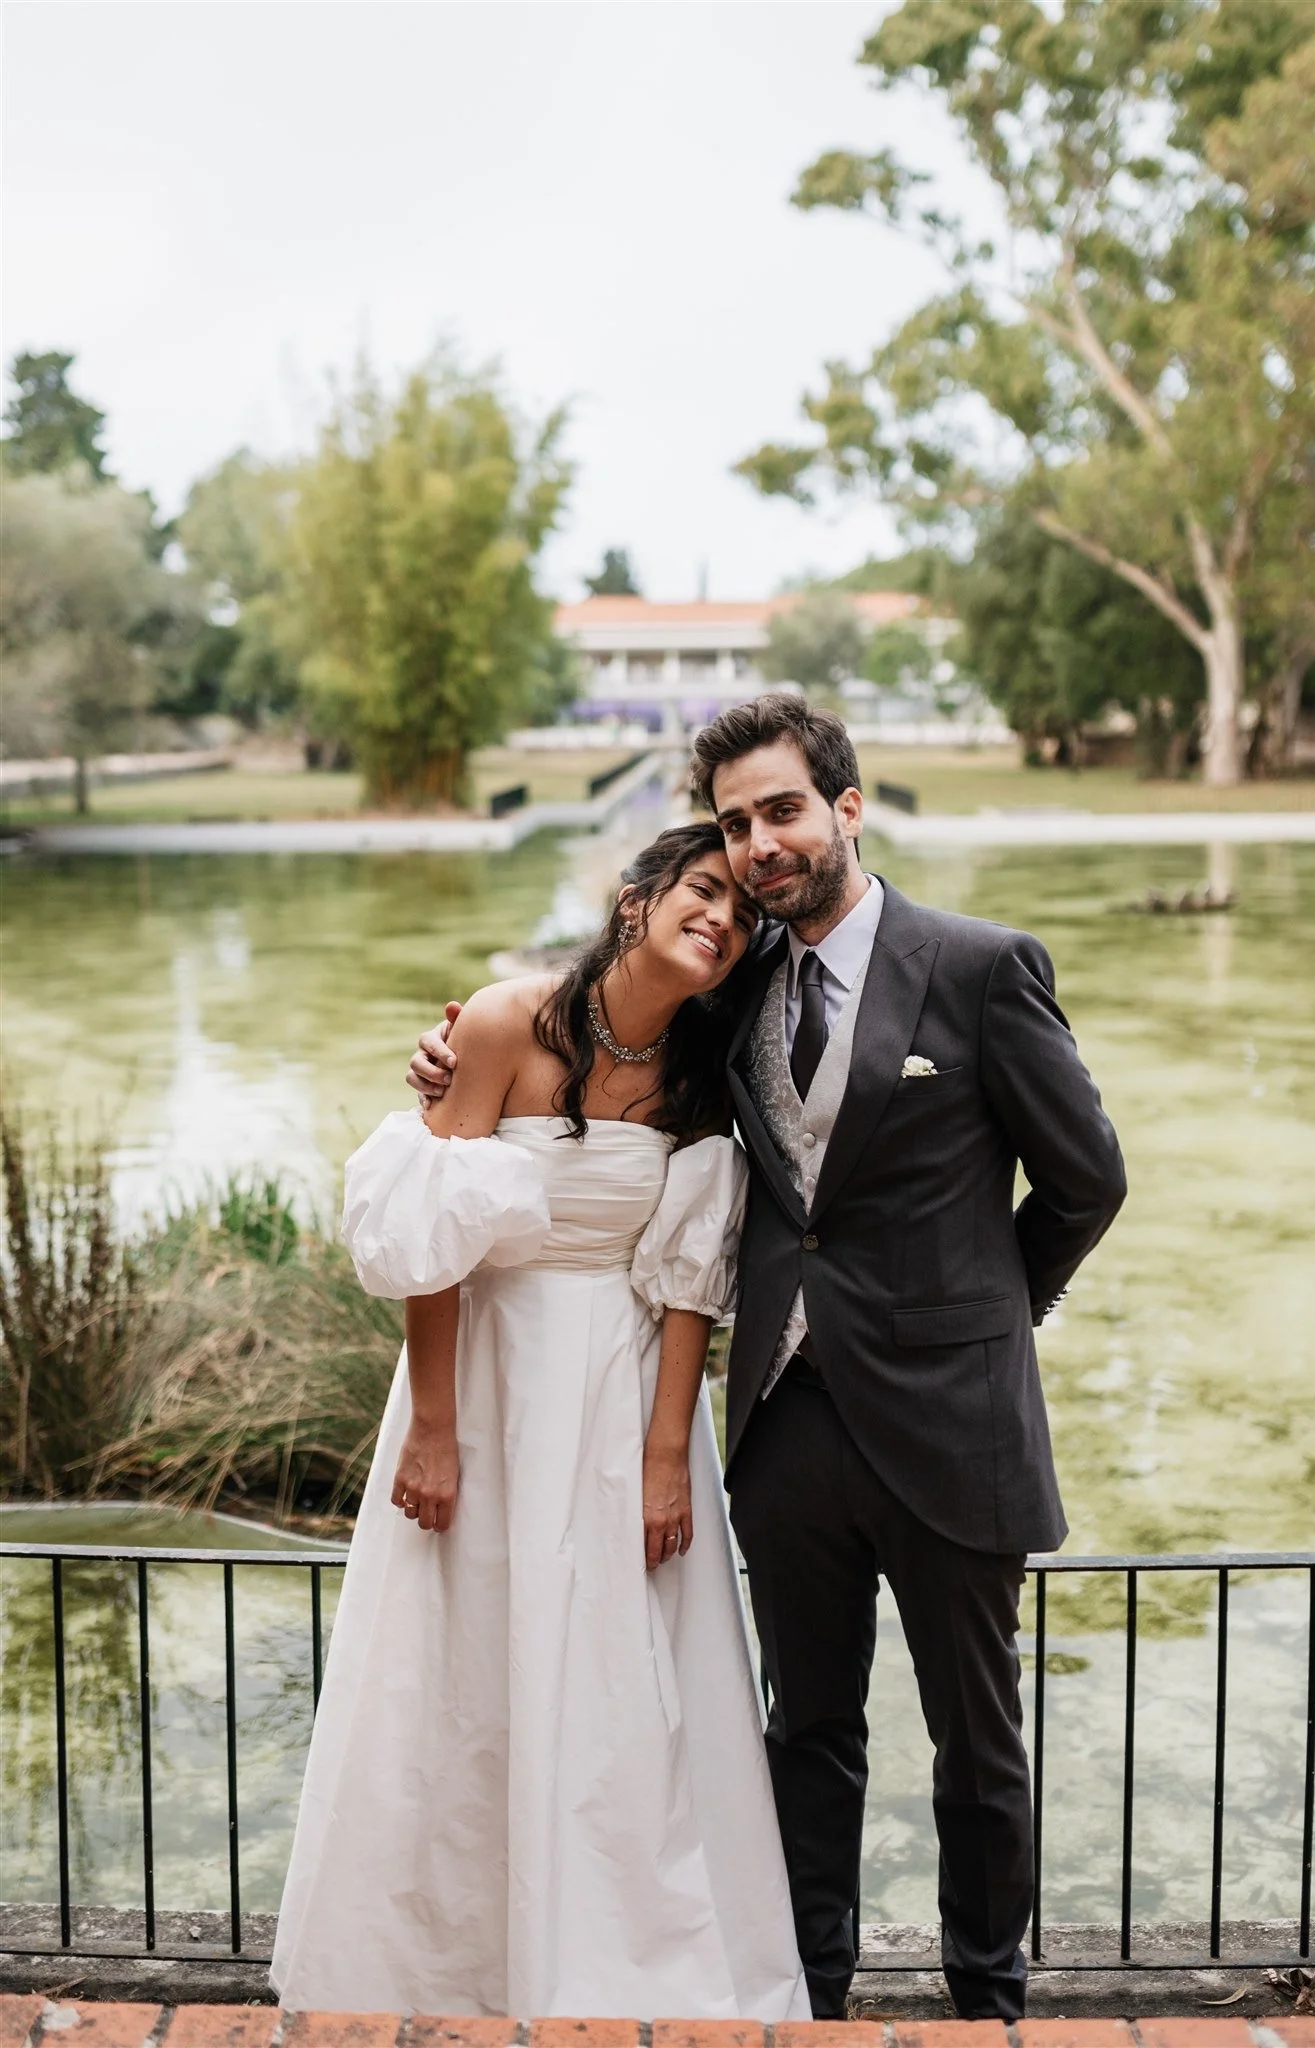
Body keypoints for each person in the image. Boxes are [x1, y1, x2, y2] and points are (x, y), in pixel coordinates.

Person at [410, 696, 1126, 2022]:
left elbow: (1088, 1181)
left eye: (780, 809)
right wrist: (456, 1052)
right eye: (736, 822)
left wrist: (987, 1315)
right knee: (807, 1732)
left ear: (847, 808)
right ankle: (817, 1996)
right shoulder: (733, 988)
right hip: (786, 1428)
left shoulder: (976, 966)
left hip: (953, 1420)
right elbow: (604, 1026)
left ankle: (987, 1997)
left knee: (975, 1740)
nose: (756, 844)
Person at [273, 821, 809, 2021]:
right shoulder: (508, 1021)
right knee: (458, 1663)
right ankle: (445, 1965)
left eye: (738, 913)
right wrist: (431, 1425)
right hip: (486, 1381)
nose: (720, 916)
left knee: (627, 1676)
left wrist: (667, 1458)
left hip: (622, 1393)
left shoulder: (705, 1065)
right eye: (702, 888)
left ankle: (620, 1956)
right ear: (638, 899)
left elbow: (686, 1283)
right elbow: (434, 1239)